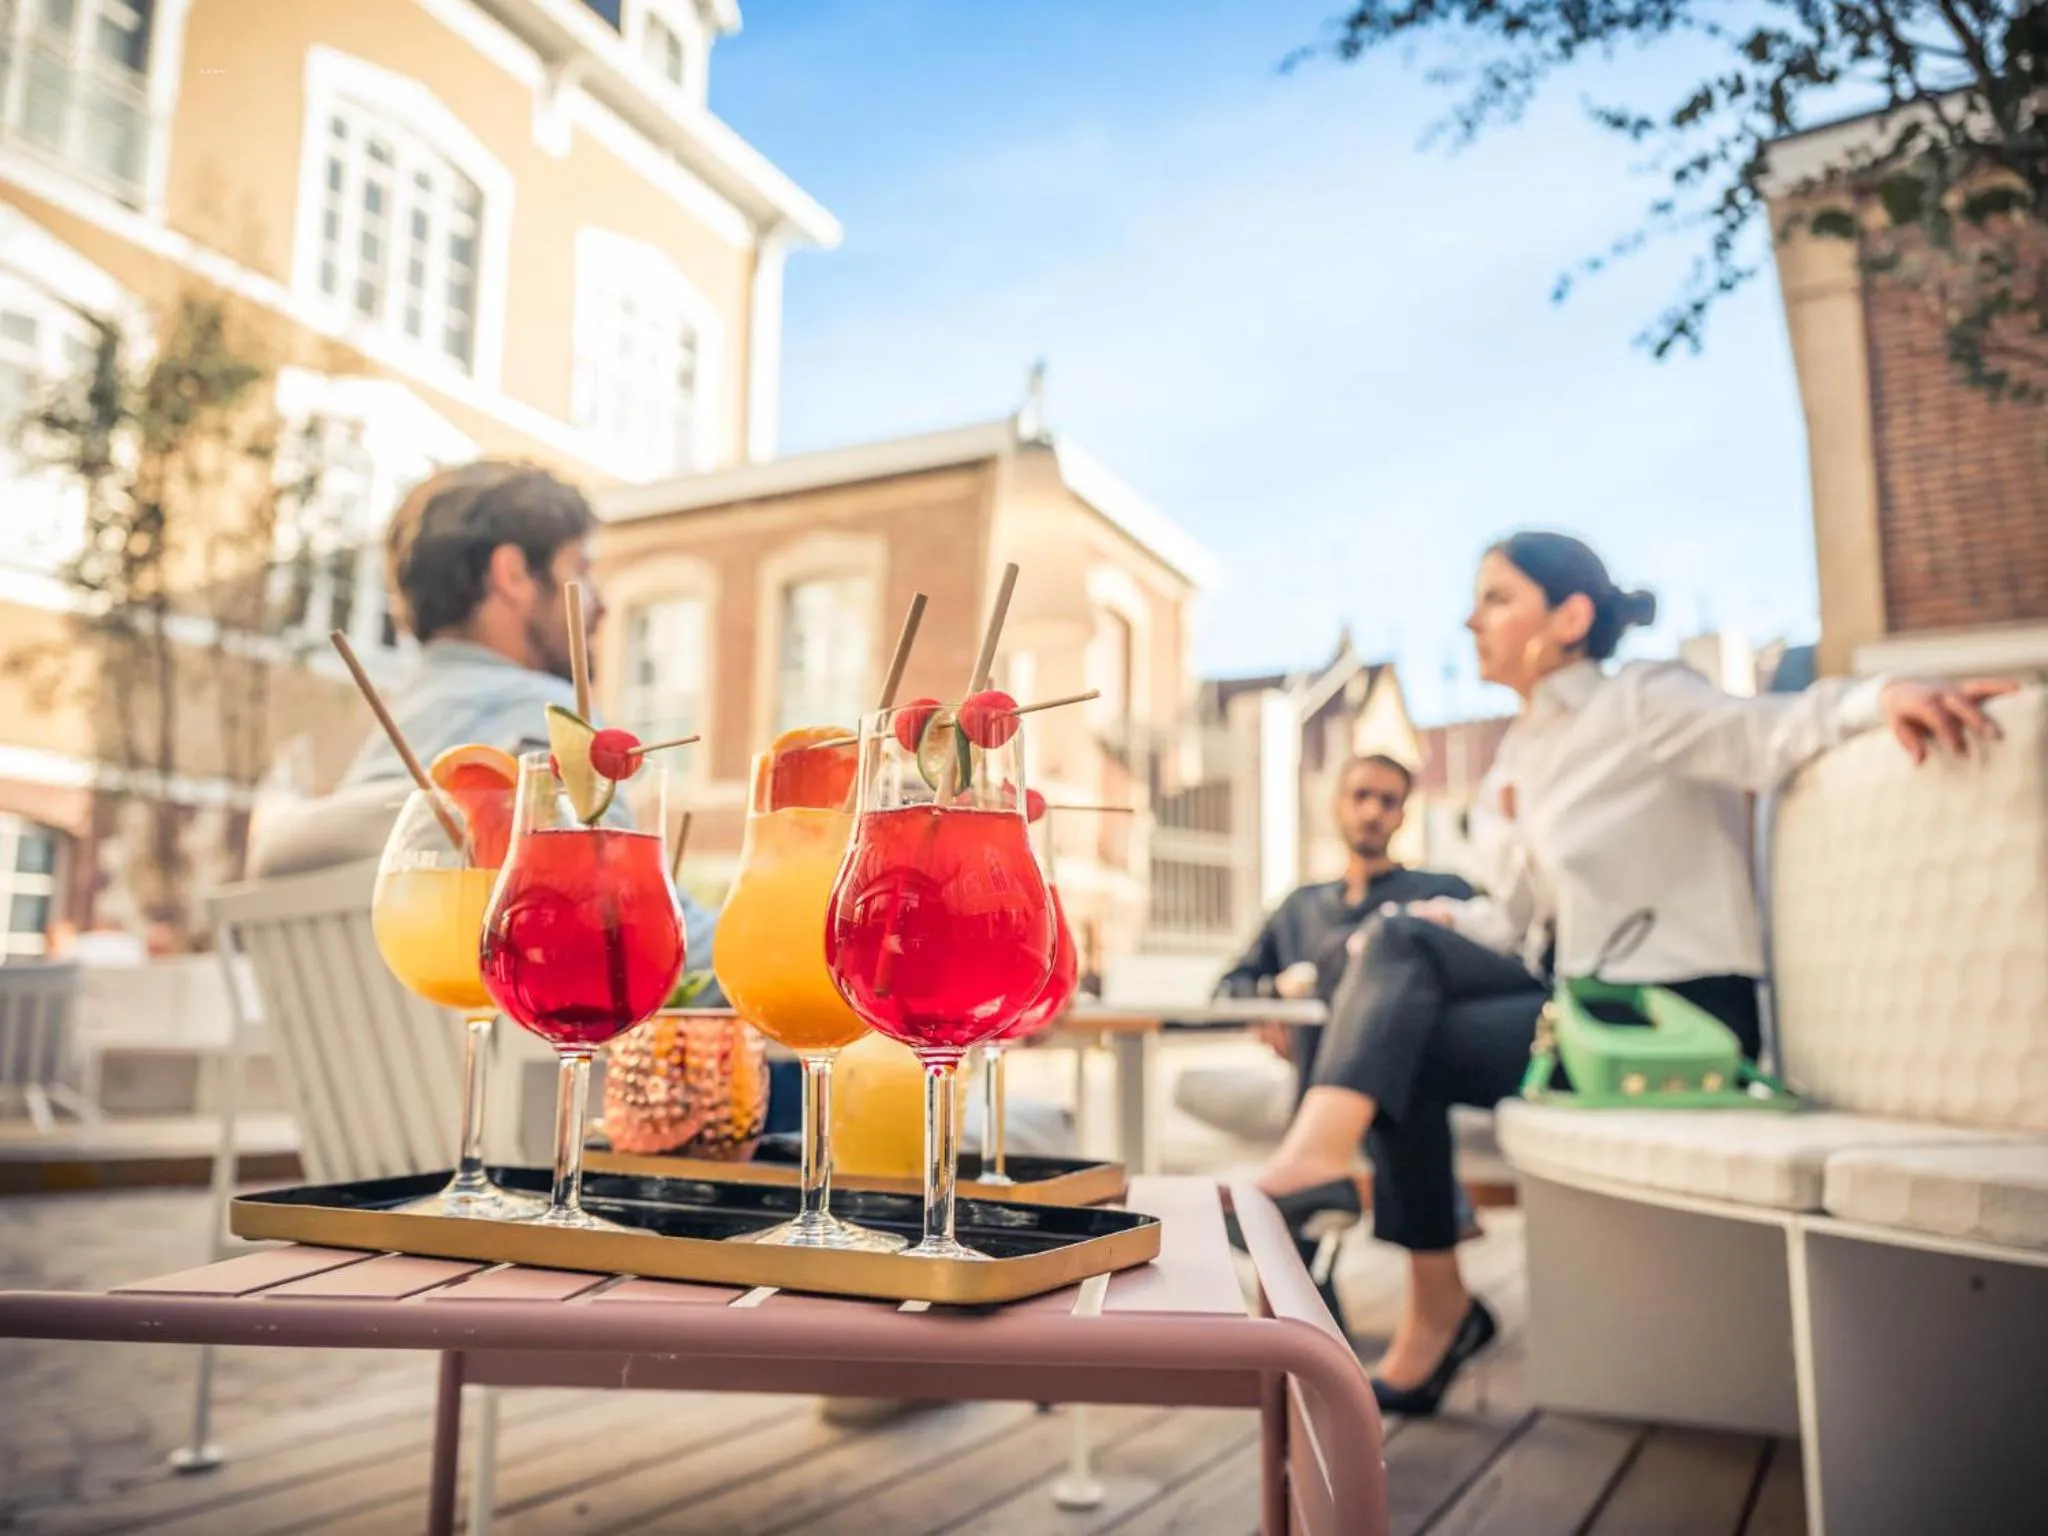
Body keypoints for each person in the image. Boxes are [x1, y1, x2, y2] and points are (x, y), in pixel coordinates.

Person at [1253, 530, 2016, 1416]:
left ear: (1570, 617)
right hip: (1585, 1015)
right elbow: (1515, 920)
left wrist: (1884, 693)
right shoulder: (1522, 757)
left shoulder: (1643, 699)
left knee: (1397, 975)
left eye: (1497, 598)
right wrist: (1437, 920)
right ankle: (1433, 1302)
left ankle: (1311, 1175)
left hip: (1679, 1015)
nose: (1472, 618)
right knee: (1398, 967)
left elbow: (1768, 734)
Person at [251, 461, 720, 985]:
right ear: (513, 575)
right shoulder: (548, 727)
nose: (601, 604)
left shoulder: (362, 772)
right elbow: (647, 945)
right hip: (547, 1059)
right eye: (581, 571)